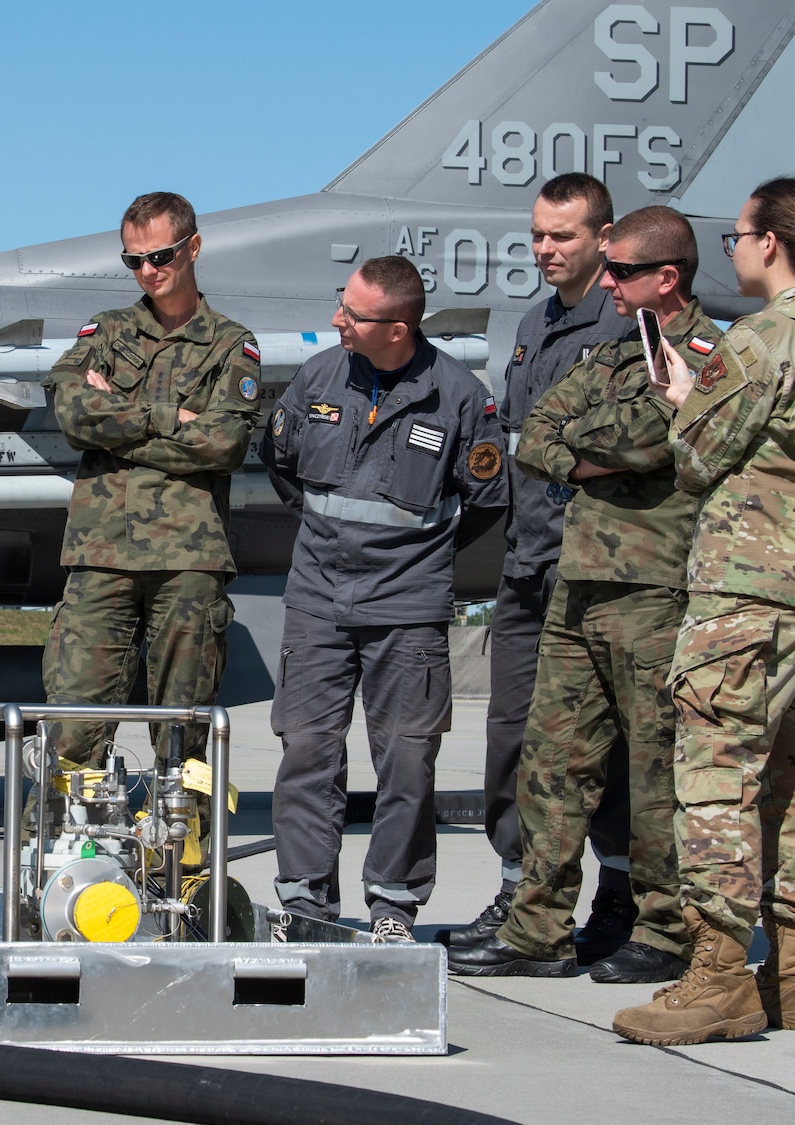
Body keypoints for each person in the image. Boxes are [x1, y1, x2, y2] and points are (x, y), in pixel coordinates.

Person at [614, 178, 795, 1045]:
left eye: (738, 235)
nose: (732, 247)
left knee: (716, 771)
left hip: (750, 585)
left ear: (769, 244)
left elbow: (697, 454)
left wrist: (682, 393)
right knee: (793, 776)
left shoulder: (762, 340)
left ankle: (719, 975)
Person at [450, 206, 715, 984]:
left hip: (652, 585)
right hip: (577, 577)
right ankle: (538, 928)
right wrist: (604, 444)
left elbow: (657, 437)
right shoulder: (613, 350)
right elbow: (536, 437)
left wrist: (596, 444)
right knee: (554, 760)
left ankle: (664, 928)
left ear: (666, 277)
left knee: (655, 768)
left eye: (624, 270)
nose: (611, 281)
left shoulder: (703, 351)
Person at [261, 256, 507, 941]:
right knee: (308, 748)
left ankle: (393, 904)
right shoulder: (319, 375)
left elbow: (485, 500)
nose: (337, 319)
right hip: (318, 597)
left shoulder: (457, 396)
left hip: (409, 608)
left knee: (405, 757)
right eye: (341, 303)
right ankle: (305, 903)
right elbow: (280, 460)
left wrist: (417, 560)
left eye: (354, 313)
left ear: (397, 328)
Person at [448, 173, 637, 954]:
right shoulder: (534, 320)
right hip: (528, 565)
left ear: (602, 237)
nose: (545, 250)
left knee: (607, 745)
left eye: (562, 236)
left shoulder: (626, 323)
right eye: (538, 235)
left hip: (595, 566)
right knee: (514, 732)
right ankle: (519, 891)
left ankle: (621, 893)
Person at [40, 191, 262, 769]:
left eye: (160, 257)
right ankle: (70, 854)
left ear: (192, 248)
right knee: (72, 727)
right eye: (133, 260)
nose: (147, 272)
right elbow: (72, 415)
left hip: (187, 561)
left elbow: (224, 443)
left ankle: (183, 858)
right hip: (100, 555)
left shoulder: (231, 343)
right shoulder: (107, 331)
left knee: (183, 735)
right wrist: (166, 417)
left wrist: (118, 414)